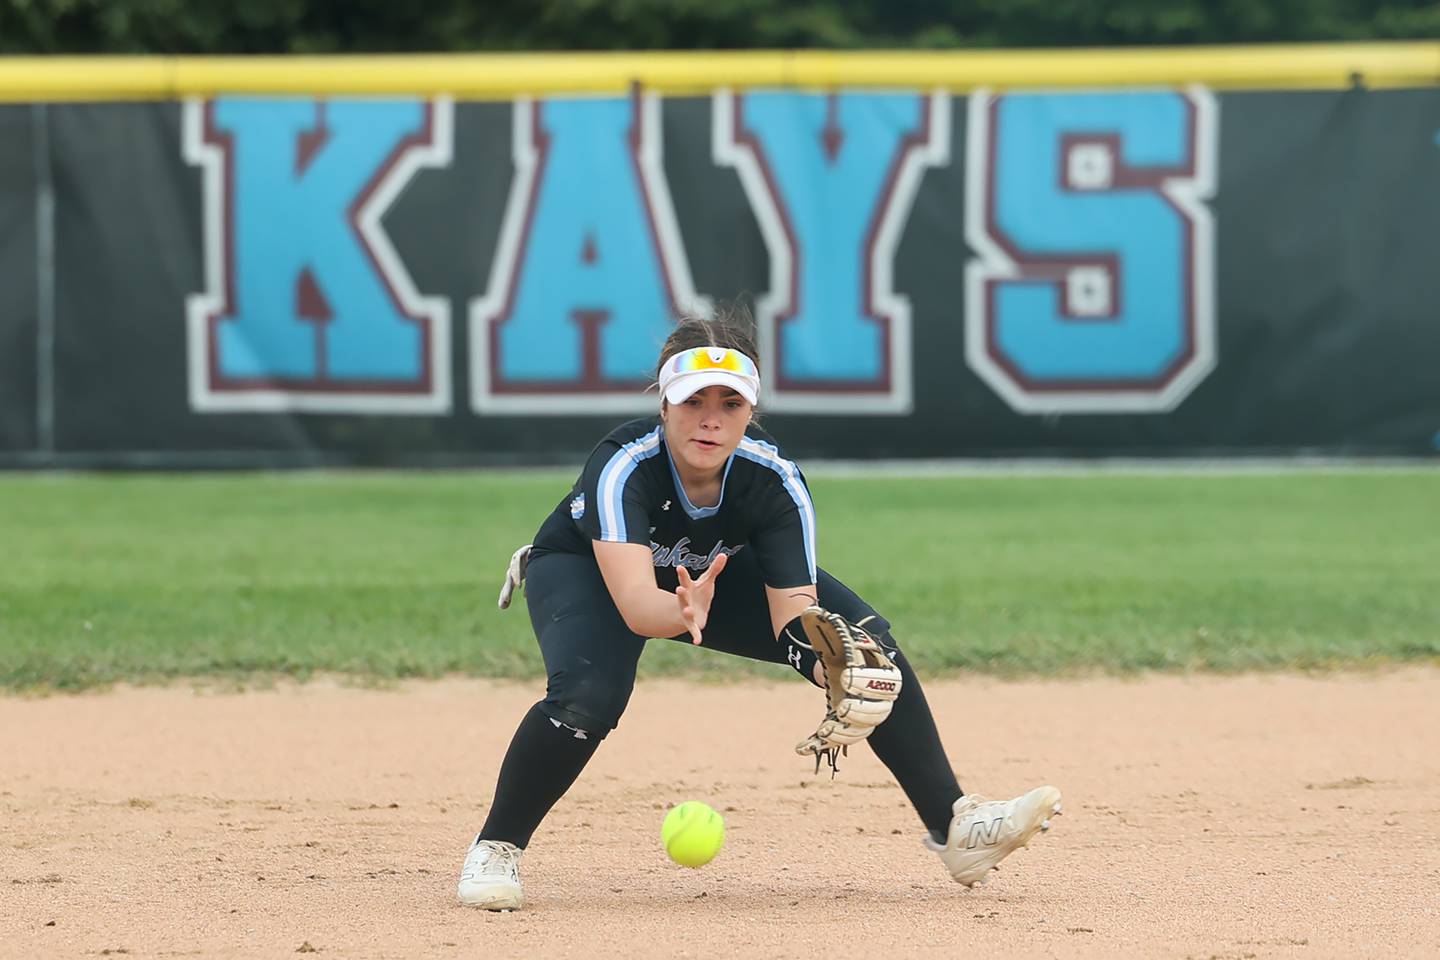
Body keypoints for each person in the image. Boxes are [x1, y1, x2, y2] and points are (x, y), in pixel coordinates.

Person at [457, 311, 1061, 910]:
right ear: (663, 403)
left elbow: (796, 614)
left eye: (730, 403)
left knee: (867, 645)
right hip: (590, 571)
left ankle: (956, 828)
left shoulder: (773, 479)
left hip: (713, 573)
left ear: (752, 411)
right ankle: (496, 847)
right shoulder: (624, 465)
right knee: (589, 695)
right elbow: (640, 607)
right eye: (694, 401)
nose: (711, 420)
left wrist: (827, 662)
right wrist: (683, 612)